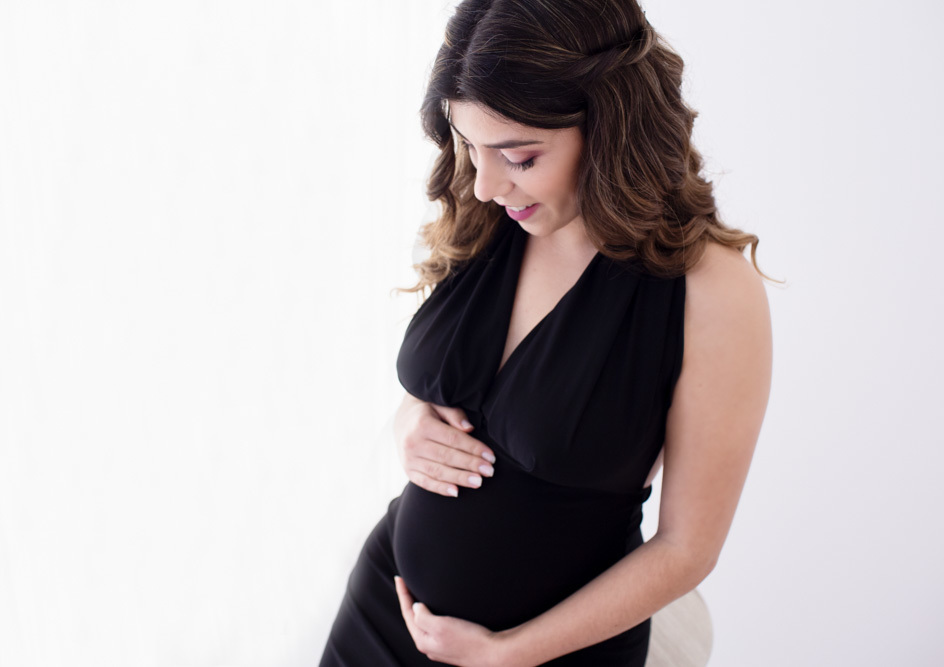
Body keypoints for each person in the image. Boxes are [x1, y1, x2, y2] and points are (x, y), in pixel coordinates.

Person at [319, 0, 773, 664]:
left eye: (519, 156)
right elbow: (464, 395)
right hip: (386, 611)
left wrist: (509, 652)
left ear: (611, 128)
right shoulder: (493, 218)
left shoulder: (709, 290)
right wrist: (410, 420)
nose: (482, 185)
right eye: (469, 147)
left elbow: (687, 546)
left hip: (548, 653)